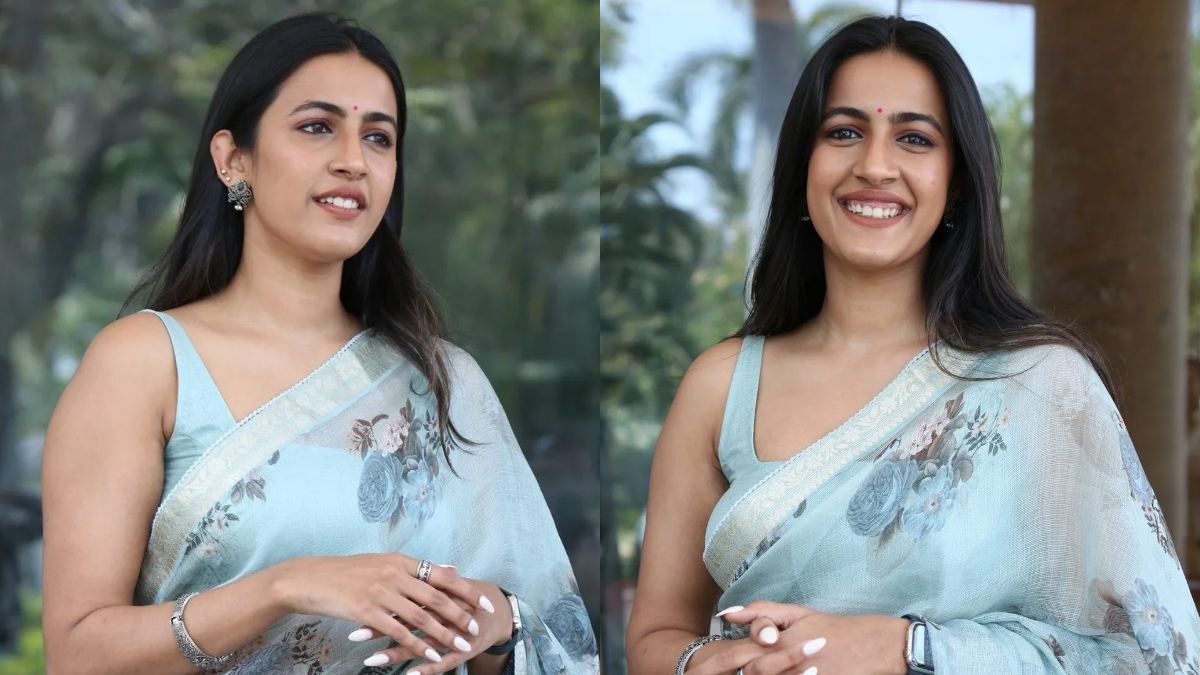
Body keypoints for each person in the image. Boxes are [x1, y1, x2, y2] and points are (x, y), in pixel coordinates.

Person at [627, 15, 1199, 675]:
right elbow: (655, 634)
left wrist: (908, 648)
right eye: (844, 132)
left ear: (955, 183)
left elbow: (1158, 653)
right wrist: (712, 661)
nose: (875, 165)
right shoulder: (720, 385)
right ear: (803, 166)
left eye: (914, 138)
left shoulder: (1041, 384)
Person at [40, 13, 597, 674]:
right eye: (316, 127)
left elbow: (552, 633)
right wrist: (285, 585)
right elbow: (78, 652)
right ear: (232, 158)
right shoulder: (144, 363)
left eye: (378, 138)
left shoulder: (443, 381)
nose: (353, 161)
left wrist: (499, 624)